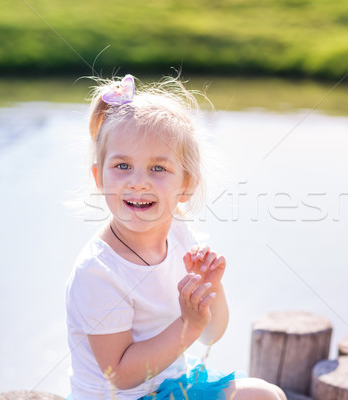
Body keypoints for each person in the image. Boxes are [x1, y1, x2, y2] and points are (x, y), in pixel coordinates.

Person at [65, 74, 287, 400]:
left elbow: (212, 333)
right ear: (99, 177)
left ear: (187, 184)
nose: (138, 182)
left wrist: (209, 290)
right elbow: (121, 375)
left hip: (169, 385)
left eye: (158, 168)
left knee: (268, 395)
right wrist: (189, 324)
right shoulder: (99, 272)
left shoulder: (179, 234)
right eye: (122, 165)